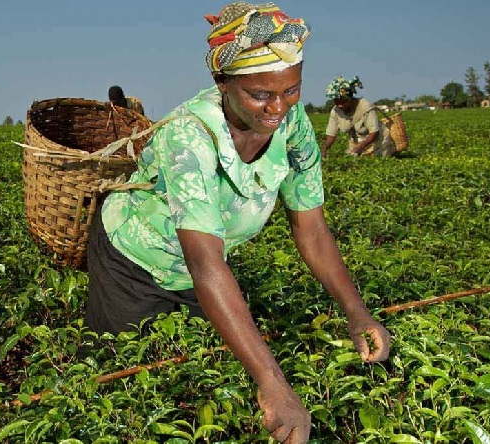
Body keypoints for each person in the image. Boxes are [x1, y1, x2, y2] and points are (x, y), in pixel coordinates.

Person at [85, 3, 391, 443]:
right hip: (133, 261)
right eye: (261, 94)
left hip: (199, 270)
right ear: (222, 83)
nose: (278, 108)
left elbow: (312, 229)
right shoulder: (190, 135)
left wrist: (357, 313)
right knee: (124, 382)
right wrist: (275, 385)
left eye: (291, 91)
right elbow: (206, 263)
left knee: (196, 375)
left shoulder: (294, 126)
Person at [321, 76, 395, 157]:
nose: (340, 105)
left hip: (378, 142)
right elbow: (331, 135)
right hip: (357, 142)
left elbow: (374, 132)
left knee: (374, 160)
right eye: (337, 102)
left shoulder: (365, 106)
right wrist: (324, 149)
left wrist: (361, 146)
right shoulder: (335, 111)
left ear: (350, 99)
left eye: (343, 102)